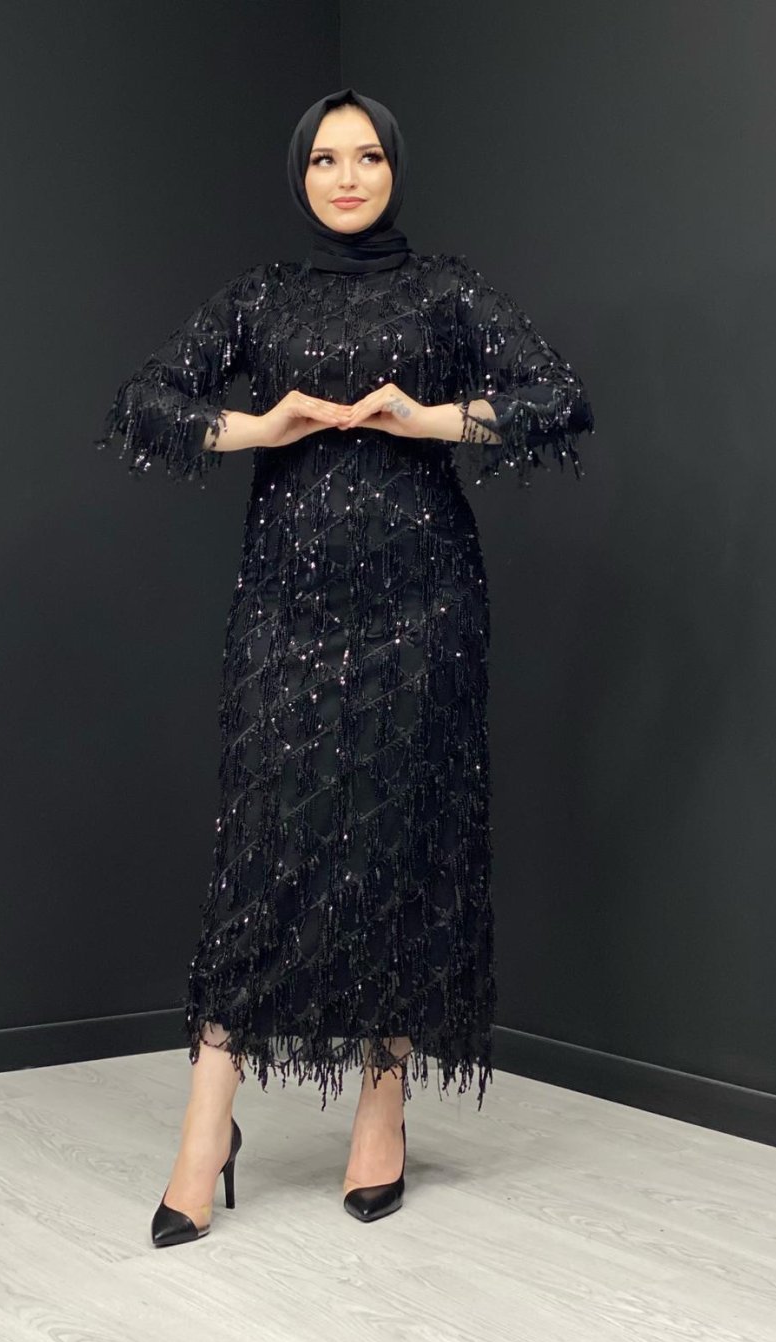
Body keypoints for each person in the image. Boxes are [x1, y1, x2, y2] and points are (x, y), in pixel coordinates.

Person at [95, 87, 595, 1246]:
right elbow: (143, 401)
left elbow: (559, 398)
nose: (347, 176)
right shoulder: (261, 298)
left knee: (400, 846)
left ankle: (383, 1106)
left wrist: (434, 421)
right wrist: (255, 430)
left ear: (393, 169)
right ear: (300, 174)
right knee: (261, 849)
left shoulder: (445, 290)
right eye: (325, 159)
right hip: (287, 603)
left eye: (366, 156)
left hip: (423, 606)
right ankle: (206, 1126)